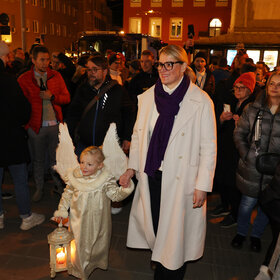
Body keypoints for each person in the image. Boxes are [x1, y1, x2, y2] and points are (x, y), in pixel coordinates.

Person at [120, 44, 217, 280]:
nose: (163, 69)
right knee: (155, 227)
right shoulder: (147, 97)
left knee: (176, 237)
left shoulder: (201, 101)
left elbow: (209, 146)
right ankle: (161, 259)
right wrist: (131, 167)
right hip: (152, 175)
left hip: (182, 178)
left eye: (169, 64)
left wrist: (202, 185)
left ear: (183, 67)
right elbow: (138, 134)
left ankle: (169, 272)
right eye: (160, 64)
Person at [54, 146, 134, 279]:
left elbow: (115, 196)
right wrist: (62, 209)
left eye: (90, 164)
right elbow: (67, 195)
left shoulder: (105, 179)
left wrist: (125, 189)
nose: (84, 167)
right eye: (82, 162)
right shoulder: (74, 178)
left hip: (99, 220)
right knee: (78, 243)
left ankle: (94, 263)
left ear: (100, 165)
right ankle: (80, 270)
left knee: (97, 242)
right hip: (78, 219)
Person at [231, 71, 280, 252]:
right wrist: (246, 154)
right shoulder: (252, 108)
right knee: (246, 205)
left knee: (265, 208)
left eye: (279, 84)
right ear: (266, 86)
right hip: (251, 167)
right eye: (271, 83)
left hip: (275, 171)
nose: (274, 87)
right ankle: (242, 232)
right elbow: (239, 133)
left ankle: (257, 236)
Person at [0, 41, 45, 230]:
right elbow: (23, 109)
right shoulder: (8, 80)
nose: (10, 58)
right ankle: (26, 217)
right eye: (8, 55)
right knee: (19, 177)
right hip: (10, 137)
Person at [17, 45, 70, 202]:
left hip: (55, 125)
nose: (45, 63)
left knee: (56, 159)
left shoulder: (56, 76)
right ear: (33, 60)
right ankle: (39, 187)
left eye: (47, 59)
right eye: (42, 59)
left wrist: (52, 96)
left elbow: (66, 98)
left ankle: (59, 186)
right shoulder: (24, 79)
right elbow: (20, 104)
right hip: (35, 127)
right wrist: (27, 125)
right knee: (38, 160)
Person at [66, 55, 135, 156]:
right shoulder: (82, 89)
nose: (91, 73)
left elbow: (129, 114)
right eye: (89, 70)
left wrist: (127, 137)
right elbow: (72, 115)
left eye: (95, 69)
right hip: (84, 146)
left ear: (105, 71)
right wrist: (70, 138)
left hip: (110, 147)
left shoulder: (117, 91)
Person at [215, 72, 257, 228]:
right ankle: (225, 206)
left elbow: (256, 134)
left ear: (250, 90)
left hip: (239, 152)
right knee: (223, 179)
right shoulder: (232, 102)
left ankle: (235, 214)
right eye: (236, 88)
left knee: (235, 184)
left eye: (241, 88)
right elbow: (220, 127)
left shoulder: (252, 107)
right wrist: (221, 119)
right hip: (226, 148)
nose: (237, 91)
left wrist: (242, 125)